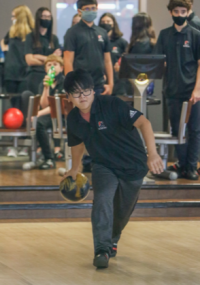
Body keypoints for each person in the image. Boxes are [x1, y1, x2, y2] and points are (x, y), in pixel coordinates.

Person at [62, 69, 164, 269]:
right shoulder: (73, 119)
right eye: (76, 93)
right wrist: (75, 167)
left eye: (85, 91)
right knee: (102, 200)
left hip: (133, 166)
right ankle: (102, 249)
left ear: (93, 91)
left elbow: (144, 123)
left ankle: (113, 238)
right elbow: (77, 143)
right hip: (104, 166)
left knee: (122, 212)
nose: (82, 97)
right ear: (68, 97)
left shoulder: (112, 104)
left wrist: (152, 154)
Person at [155, 0, 200, 180]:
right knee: (177, 130)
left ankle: (192, 167)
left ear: (189, 11)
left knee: (195, 130)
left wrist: (197, 90)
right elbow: (159, 62)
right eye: (176, 11)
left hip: (193, 92)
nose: (180, 15)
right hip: (172, 91)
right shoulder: (164, 35)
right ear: (170, 12)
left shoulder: (196, 35)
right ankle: (182, 165)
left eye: (183, 11)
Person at [22, 55, 65, 169]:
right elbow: (45, 105)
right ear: (45, 69)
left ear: (61, 68)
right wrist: (46, 88)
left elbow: (59, 105)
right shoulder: (44, 83)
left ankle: (49, 157)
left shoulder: (65, 82)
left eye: (55, 64)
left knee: (37, 119)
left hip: (64, 116)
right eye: (49, 65)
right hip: (50, 116)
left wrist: (37, 114)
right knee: (38, 123)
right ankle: (48, 157)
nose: (52, 67)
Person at [64, 0, 113, 96]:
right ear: (79, 12)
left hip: (99, 86)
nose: (91, 11)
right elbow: (67, 61)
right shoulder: (72, 32)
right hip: (79, 86)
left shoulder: (102, 32)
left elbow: (107, 61)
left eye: (93, 8)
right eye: (87, 9)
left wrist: (110, 84)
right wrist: (71, 85)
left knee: (99, 111)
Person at [3, 5, 34, 158]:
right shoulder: (11, 32)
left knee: (25, 109)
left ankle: (24, 144)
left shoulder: (32, 35)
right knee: (12, 110)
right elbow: (4, 45)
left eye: (14, 16)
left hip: (25, 75)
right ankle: (13, 145)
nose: (12, 19)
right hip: (10, 74)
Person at [25, 7, 61, 95]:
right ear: (38, 18)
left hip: (50, 76)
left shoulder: (54, 39)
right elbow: (30, 60)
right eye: (44, 16)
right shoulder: (31, 37)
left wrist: (38, 56)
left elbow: (57, 60)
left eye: (49, 17)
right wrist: (49, 61)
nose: (47, 19)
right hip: (34, 75)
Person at [99, 13, 129, 96]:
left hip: (119, 82)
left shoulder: (121, 42)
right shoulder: (97, 41)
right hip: (101, 81)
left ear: (113, 24)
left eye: (108, 21)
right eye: (103, 21)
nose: (105, 23)